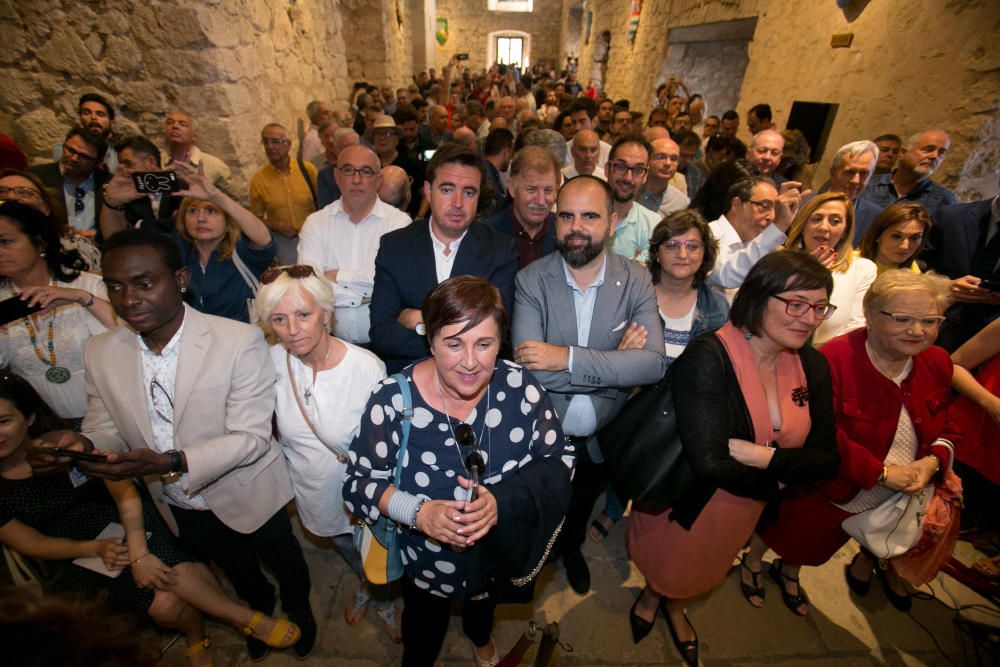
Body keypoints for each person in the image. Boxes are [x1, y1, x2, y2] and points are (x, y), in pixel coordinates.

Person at [38, 229, 316, 660]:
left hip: (250, 489)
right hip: (178, 500)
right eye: (115, 286)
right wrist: (82, 441)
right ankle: (257, 609)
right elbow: (104, 423)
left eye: (145, 283)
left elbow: (251, 437)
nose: (129, 298)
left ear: (181, 278)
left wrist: (171, 459)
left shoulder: (236, 340)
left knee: (283, 558)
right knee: (236, 567)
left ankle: (299, 607)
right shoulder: (101, 351)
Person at [345, 276, 572, 667]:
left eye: (484, 344)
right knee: (423, 628)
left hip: (495, 556)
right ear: (430, 340)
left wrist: (502, 502)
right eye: (453, 344)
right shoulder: (392, 401)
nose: (470, 362)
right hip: (426, 562)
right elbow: (358, 484)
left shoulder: (523, 389)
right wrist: (418, 513)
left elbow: (561, 460)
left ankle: (479, 637)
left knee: (483, 607)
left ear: (501, 341)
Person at [1, 373, 301, 667]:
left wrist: (137, 552)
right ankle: (228, 621)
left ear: (28, 417)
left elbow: (124, 492)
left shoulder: (69, 441)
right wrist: (91, 549)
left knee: (164, 577)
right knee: (161, 605)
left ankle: (226, 624)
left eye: (3, 421)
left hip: (129, 520)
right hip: (71, 551)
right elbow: (29, 542)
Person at [627, 252, 839, 664]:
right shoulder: (710, 356)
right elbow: (709, 463)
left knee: (705, 571)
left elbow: (828, 458)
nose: (809, 318)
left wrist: (764, 459)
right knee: (668, 566)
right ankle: (652, 598)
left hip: (744, 508)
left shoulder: (813, 365)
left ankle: (676, 606)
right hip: (687, 505)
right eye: (795, 304)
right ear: (759, 297)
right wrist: (788, 474)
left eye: (818, 307)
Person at [745, 270, 956, 615]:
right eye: (902, 319)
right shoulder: (832, 360)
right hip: (828, 485)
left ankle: (790, 570)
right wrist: (883, 473)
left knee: (819, 544)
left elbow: (949, 425)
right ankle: (753, 561)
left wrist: (931, 463)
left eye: (929, 321)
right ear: (870, 316)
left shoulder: (938, 362)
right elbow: (820, 432)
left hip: (884, 498)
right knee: (787, 528)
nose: (917, 331)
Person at [512, 175, 666, 595]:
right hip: (543, 434)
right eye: (567, 216)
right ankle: (535, 559)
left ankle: (572, 549)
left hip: (605, 433)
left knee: (582, 505)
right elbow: (532, 371)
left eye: (590, 216)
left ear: (613, 223)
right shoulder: (531, 280)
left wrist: (567, 357)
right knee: (541, 506)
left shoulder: (636, 279)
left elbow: (652, 364)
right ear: (555, 221)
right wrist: (617, 357)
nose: (576, 226)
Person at [254, 265, 401, 641]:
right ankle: (368, 586)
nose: (292, 329)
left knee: (376, 554)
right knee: (348, 551)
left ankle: (382, 598)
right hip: (313, 493)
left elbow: (388, 445)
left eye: (303, 315)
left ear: (326, 313)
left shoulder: (365, 367)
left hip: (363, 496)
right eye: (280, 319)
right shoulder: (270, 361)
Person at [590, 210, 729, 542]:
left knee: (659, 462)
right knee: (623, 453)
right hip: (631, 396)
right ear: (657, 251)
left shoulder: (717, 307)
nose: (683, 254)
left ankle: (647, 519)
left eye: (692, 246)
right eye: (673, 244)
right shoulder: (633, 295)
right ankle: (612, 508)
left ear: (705, 253)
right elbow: (602, 347)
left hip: (681, 407)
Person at [368, 145, 518, 373]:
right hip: (410, 379)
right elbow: (382, 333)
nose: (458, 203)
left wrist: (420, 321)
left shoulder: (499, 250)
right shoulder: (395, 246)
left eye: (469, 192)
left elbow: (497, 335)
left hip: (474, 379)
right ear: (428, 190)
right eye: (447, 190)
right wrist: (462, 336)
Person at [0, 201, 116, 424]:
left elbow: (131, 337)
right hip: (40, 425)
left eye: (6, 242)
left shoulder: (89, 286)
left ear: (40, 242)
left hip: (109, 417)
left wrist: (82, 299)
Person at [298, 144, 411, 346]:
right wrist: (366, 298)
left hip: (389, 347)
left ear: (378, 180)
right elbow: (310, 286)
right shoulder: (316, 223)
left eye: (366, 172)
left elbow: (399, 283)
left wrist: (338, 276)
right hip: (330, 344)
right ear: (336, 176)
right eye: (348, 170)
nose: (356, 179)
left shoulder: (399, 223)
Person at [172, 162, 277, 323]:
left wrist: (217, 196)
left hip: (242, 341)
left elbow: (264, 239)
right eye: (193, 211)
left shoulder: (242, 252)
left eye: (211, 211)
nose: (201, 219)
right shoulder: (179, 253)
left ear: (228, 221)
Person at [782, 192, 877, 346]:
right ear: (803, 225)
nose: (823, 227)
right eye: (817, 219)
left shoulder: (862, 269)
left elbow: (856, 327)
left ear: (845, 230)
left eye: (835, 221)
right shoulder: (778, 260)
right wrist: (810, 273)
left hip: (827, 357)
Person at [0, 168, 101, 271]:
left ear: (46, 207)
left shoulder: (76, 246)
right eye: (1, 191)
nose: (11, 196)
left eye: (23, 192)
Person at [249, 123, 317, 265]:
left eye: (275, 141)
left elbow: (323, 203)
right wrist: (275, 226)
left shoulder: (308, 170)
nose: (269, 146)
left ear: (288, 144)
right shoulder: (259, 180)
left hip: (315, 238)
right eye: (265, 141)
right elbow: (255, 218)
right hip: (285, 245)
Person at [482, 146, 560, 270]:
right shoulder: (486, 236)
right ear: (512, 188)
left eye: (548, 190)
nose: (541, 201)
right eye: (531, 189)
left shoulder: (565, 232)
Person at [28, 127, 111, 238]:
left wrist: (99, 237)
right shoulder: (36, 177)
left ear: (98, 162)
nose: (74, 158)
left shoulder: (109, 183)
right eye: (70, 150)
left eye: (84, 156)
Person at [863, 129, 955, 217]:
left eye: (941, 153)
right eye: (928, 149)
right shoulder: (867, 184)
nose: (935, 156)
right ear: (903, 153)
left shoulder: (943, 198)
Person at [823, 140, 883, 243]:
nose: (856, 181)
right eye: (850, 172)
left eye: (864, 173)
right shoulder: (804, 203)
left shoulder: (876, 218)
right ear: (833, 172)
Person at [162, 111, 233, 195]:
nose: (175, 126)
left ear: (194, 136)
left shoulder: (214, 166)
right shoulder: (155, 161)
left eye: (183, 124)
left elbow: (234, 201)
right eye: (170, 123)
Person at [858, 203, 930, 275]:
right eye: (896, 236)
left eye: (914, 238)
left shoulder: (913, 270)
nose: (905, 246)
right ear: (877, 235)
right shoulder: (852, 264)